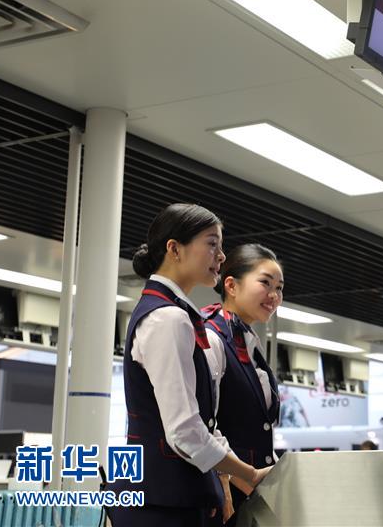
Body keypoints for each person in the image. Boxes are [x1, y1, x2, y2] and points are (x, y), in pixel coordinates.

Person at [108, 204, 271, 527]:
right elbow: (184, 431)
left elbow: (203, 425)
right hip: (162, 505)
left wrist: (238, 477)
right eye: (212, 244)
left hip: (167, 499)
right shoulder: (168, 318)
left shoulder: (169, 312)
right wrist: (249, 474)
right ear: (174, 249)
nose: (221, 256)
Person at [203, 244, 283, 525]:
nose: (274, 295)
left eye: (279, 288)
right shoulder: (211, 338)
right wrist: (226, 478)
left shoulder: (248, 343)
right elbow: (203, 424)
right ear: (231, 285)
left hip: (252, 494)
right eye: (265, 283)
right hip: (225, 497)